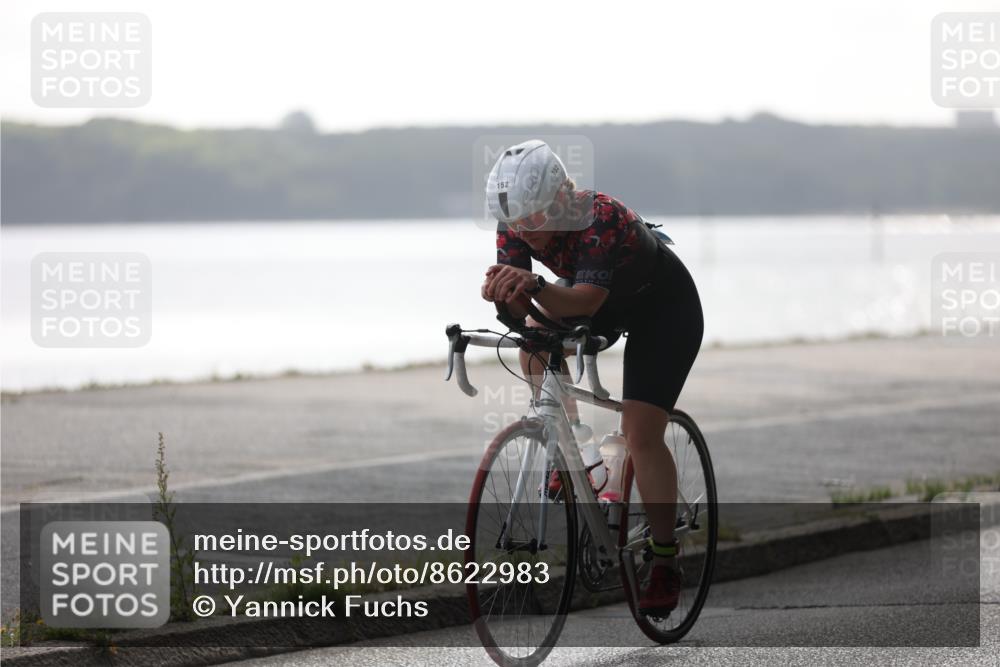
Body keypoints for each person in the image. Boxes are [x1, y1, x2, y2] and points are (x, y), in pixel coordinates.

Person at [480, 139, 704, 616]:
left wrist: (534, 285)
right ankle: (578, 455)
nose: (527, 232)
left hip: (662, 309)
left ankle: (664, 559)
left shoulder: (599, 217)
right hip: (597, 297)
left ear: (561, 196)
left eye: (535, 220)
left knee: (642, 434)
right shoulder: (519, 217)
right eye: (518, 223)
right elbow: (523, 308)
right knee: (533, 343)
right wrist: (503, 293)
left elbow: (583, 302)